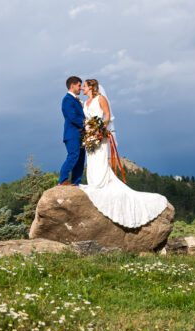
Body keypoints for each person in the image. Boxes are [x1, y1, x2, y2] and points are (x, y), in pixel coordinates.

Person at [79, 79, 167, 228]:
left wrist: (101, 129)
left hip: (99, 134)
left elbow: (107, 115)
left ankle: (102, 183)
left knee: (99, 158)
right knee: (91, 159)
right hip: (89, 135)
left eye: (85, 86)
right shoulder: (85, 102)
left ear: (91, 87)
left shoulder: (101, 98)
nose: (82, 88)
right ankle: (93, 182)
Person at [59, 76, 86, 186]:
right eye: (79, 85)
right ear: (72, 86)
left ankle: (76, 183)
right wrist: (86, 124)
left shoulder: (76, 100)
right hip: (72, 134)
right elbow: (71, 117)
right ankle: (62, 181)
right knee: (73, 156)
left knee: (80, 159)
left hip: (80, 135)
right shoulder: (67, 99)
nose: (81, 88)